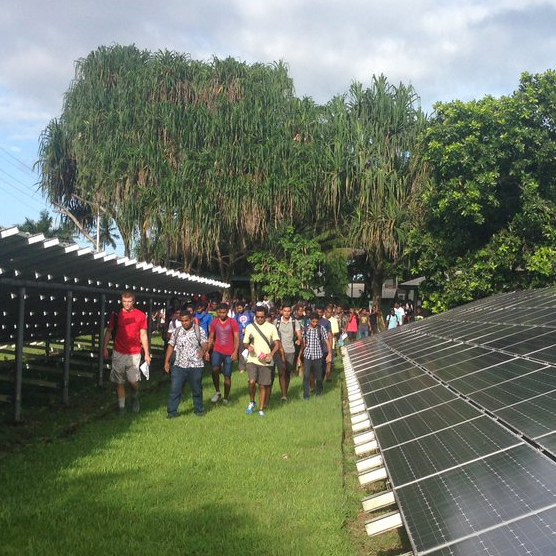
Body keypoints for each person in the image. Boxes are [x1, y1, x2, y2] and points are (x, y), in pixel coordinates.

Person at [103, 290, 151, 415]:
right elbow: (109, 331)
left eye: (129, 302)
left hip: (134, 352)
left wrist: (146, 353)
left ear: (133, 301)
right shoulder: (116, 314)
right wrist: (104, 347)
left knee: (133, 381)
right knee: (119, 381)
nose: (127, 304)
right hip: (118, 351)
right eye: (124, 301)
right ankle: (122, 408)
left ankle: (134, 396)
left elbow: (143, 335)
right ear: (121, 301)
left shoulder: (140, 315)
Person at [164, 313, 208, 418]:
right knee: (175, 389)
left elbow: (205, 343)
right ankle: (172, 412)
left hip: (195, 365)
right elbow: (171, 346)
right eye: (182, 321)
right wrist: (166, 361)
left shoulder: (199, 330)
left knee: (196, 388)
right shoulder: (177, 331)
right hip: (179, 365)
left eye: (186, 320)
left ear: (191, 319)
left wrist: (203, 350)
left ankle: (199, 410)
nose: (184, 323)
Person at [243, 306, 281, 416]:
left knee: (263, 385)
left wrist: (271, 354)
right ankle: (252, 401)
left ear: (265, 316)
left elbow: (277, 344)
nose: (259, 319)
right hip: (253, 359)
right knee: (252, 382)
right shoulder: (250, 327)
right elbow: (245, 342)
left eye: (262, 317)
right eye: (257, 317)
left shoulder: (271, 327)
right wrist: (248, 347)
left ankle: (261, 409)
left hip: (266, 361)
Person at [206, 303, 239, 405]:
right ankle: (217, 391)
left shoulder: (232, 322)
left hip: (229, 352)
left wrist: (235, 352)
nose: (222, 314)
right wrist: (207, 351)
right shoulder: (214, 322)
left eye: (224, 312)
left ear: (227, 312)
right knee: (215, 369)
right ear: (217, 312)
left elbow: (237, 338)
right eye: (220, 312)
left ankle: (226, 397)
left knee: (227, 376)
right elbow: (211, 337)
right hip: (217, 350)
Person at [299, 312, 331, 399]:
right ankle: (306, 395)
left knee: (319, 376)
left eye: (316, 322)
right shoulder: (305, 330)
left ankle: (319, 393)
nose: (315, 324)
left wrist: (329, 353)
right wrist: (299, 356)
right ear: (310, 321)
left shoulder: (321, 329)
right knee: (306, 376)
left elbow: (327, 341)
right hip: (307, 355)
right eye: (313, 322)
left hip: (318, 356)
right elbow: (303, 344)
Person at [274, 302, 302, 401]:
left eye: (288, 311)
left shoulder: (295, 322)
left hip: (291, 350)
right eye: (284, 311)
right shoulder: (276, 322)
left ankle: (285, 390)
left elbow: (299, 334)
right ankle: (284, 394)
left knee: (287, 373)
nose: (286, 313)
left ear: (291, 312)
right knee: (282, 372)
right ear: (281, 311)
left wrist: (299, 339)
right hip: (279, 351)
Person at [234, 302, 253, 373]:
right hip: (241, 336)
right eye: (238, 308)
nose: (239, 310)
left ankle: (250, 365)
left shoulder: (250, 314)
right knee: (241, 352)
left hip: (250, 336)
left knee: (251, 351)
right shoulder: (236, 316)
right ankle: (241, 367)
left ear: (244, 307)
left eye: (240, 308)